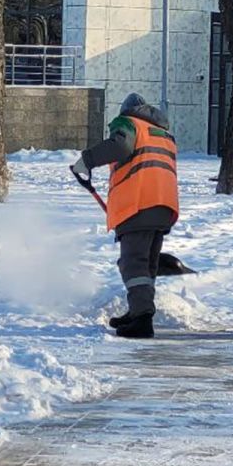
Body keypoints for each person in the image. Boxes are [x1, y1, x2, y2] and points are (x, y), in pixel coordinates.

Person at [71, 93, 178, 339]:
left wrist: (86, 160)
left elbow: (121, 145)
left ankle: (142, 319)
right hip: (163, 204)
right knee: (147, 262)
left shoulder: (129, 122)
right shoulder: (163, 134)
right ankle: (138, 311)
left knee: (133, 262)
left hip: (139, 203)